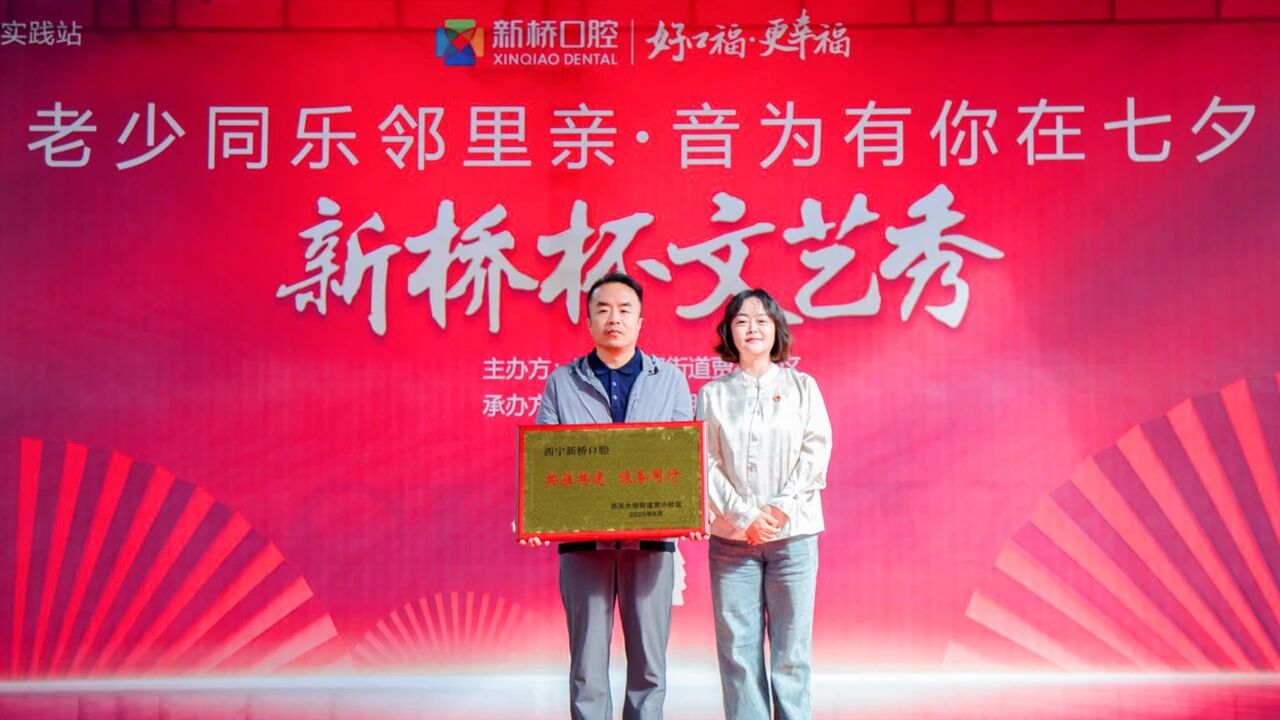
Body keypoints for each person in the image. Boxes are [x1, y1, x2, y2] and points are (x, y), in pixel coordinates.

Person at [523, 272, 698, 720]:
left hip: (652, 540)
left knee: (650, 665)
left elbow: (682, 456)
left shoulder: (671, 380)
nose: (613, 318)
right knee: (586, 666)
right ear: (589, 322)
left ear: (641, 321)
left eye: (624, 310)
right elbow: (546, 459)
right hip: (583, 543)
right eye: (603, 310)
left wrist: (692, 508)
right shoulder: (562, 382)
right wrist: (534, 514)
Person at [696, 289, 832, 720]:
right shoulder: (713, 394)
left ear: (777, 330)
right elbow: (705, 462)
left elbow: (815, 451)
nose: (752, 328)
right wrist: (745, 516)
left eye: (762, 320)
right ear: (728, 333)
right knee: (737, 652)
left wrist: (778, 510)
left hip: (794, 538)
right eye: (742, 321)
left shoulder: (802, 387)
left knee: (791, 654)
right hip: (731, 543)